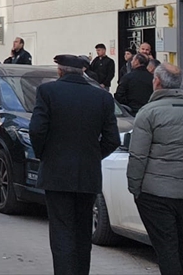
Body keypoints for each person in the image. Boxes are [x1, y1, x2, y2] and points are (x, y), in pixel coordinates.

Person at [30, 54, 120, 275]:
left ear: (59, 71)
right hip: (87, 174)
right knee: (82, 231)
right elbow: (112, 139)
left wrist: (45, 155)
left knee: (61, 231)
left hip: (57, 172)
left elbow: (37, 130)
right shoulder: (102, 97)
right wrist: (92, 156)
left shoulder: (48, 92)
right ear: (82, 72)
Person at [127, 64, 183, 275]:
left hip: (155, 193)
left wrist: (135, 187)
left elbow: (138, 156)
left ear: (157, 82)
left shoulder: (148, 113)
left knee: (166, 248)